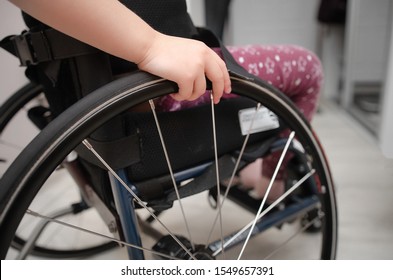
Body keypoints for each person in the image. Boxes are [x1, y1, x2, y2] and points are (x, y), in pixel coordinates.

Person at [9, 0, 323, 201]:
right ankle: (272, 178)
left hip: (96, 97)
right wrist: (150, 47)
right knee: (308, 67)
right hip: (160, 88)